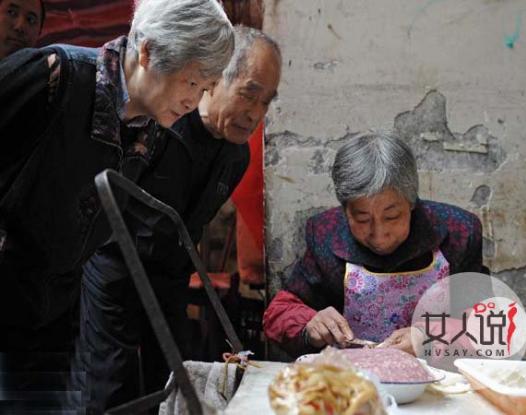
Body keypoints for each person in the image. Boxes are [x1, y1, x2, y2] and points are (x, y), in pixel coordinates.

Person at [0, 0, 233, 410]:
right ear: (147, 53)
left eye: (205, 89)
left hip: (53, 320)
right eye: (192, 83)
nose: (195, 102)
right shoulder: (55, 76)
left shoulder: (151, 132)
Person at [72, 26, 281, 413]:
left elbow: (195, 226)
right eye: (249, 94)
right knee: (109, 382)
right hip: (116, 267)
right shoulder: (163, 123)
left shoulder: (237, 156)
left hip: (170, 276)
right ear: (216, 79)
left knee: (171, 379)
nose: (256, 113)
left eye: (266, 101)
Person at [263, 131, 488, 358]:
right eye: (362, 219)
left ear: (411, 203)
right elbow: (280, 312)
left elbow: (490, 324)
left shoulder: (458, 231)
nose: (379, 235)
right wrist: (311, 323)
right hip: (354, 383)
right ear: (345, 210)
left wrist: (430, 338)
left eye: (391, 217)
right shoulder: (326, 234)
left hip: (442, 382)